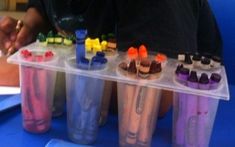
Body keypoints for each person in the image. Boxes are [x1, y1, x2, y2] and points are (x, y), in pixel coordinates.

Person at [0, 0, 222, 117]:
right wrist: (27, 26)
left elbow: (157, 96)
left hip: (182, 120)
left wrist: (35, 73)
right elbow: (43, 5)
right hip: (84, 111)